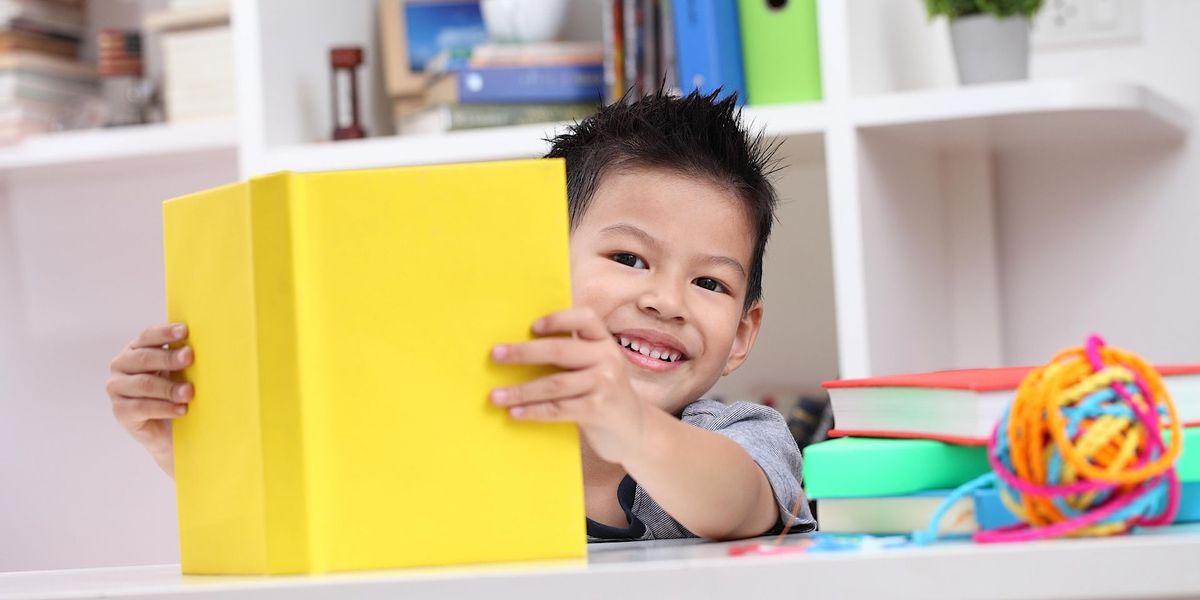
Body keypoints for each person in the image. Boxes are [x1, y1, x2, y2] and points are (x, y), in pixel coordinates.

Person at [106, 90, 815, 541]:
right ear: (535, 258)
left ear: (741, 336)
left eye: (710, 284)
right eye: (629, 259)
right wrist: (188, 451)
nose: (665, 300)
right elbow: (337, 524)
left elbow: (736, 505)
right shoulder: (455, 429)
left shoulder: (738, 437)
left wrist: (628, 426)